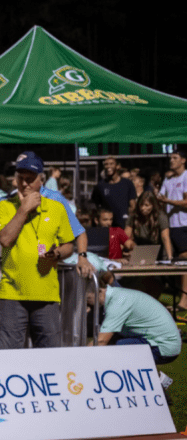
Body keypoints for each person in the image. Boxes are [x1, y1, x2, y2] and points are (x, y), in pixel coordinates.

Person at [0, 151, 74, 349]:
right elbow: (5, 239)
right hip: (12, 294)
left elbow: (69, 245)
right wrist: (23, 209)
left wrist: (57, 253)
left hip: (46, 294)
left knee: (49, 355)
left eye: (30, 179)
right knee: (7, 355)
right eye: (21, 178)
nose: (25, 184)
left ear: (41, 180)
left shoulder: (57, 208)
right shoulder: (5, 205)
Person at [89, 285, 181, 370]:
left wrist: (82, 358)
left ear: (98, 292)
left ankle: (158, 378)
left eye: (87, 299)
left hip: (163, 347)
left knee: (115, 350)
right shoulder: (118, 294)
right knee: (113, 345)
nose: (86, 304)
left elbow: (101, 341)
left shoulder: (117, 303)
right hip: (154, 339)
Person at [157, 148, 187, 311]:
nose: (171, 160)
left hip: (184, 224)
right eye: (171, 158)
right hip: (171, 226)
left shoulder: (186, 176)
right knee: (176, 264)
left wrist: (168, 201)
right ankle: (179, 299)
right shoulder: (168, 179)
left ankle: (184, 301)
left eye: (175, 158)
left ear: (183, 160)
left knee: (184, 261)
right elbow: (160, 198)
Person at [91, 155, 135, 229]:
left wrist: (129, 225)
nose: (108, 166)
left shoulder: (127, 183)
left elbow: (133, 206)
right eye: (106, 164)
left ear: (118, 166)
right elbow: (95, 206)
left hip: (124, 225)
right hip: (107, 227)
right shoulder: (100, 185)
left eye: (111, 164)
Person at [126, 191, 173, 259]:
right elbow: (126, 237)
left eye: (146, 205)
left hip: (158, 250)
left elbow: (165, 237)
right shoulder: (134, 215)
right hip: (141, 249)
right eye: (141, 205)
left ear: (153, 205)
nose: (142, 208)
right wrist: (132, 248)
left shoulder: (161, 216)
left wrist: (170, 257)